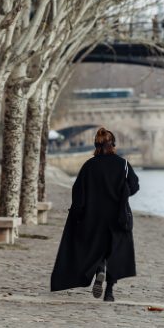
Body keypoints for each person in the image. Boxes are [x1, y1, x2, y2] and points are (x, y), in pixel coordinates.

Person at [51, 128, 140, 302]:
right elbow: (134, 186)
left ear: (96, 145)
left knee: (95, 247)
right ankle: (109, 292)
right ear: (113, 145)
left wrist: (78, 215)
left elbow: (78, 193)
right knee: (115, 252)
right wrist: (123, 195)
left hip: (93, 217)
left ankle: (99, 268)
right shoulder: (123, 165)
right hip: (117, 217)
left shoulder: (88, 166)